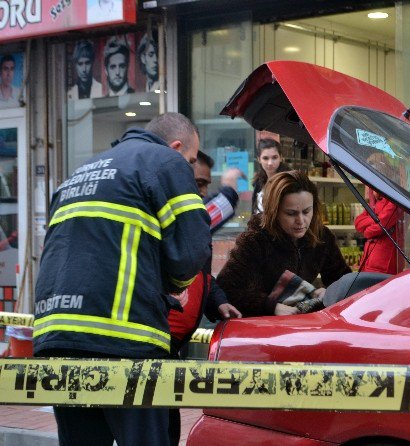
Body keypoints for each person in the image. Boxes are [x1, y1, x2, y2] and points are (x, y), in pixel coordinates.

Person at [32, 112, 211, 446]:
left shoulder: (82, 170)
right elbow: (191, 250)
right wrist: (176, 288)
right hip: (123, 338)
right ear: (176, 148)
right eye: (190, 160)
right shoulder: (165, 161)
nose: (189, 168)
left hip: (56, 337)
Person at [166, 150, 243, 446]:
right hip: (151, 341)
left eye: (205, 186)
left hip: (172, 343)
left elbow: (202, 274)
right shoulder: (175, 216)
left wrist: (217, 300)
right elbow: (212, 213)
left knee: (165, 427)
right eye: (198, 184)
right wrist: (229, 189)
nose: (202, 193)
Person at [216, 170, 351, 317]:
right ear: (274, 212)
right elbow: (226, 290)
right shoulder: (254, 241)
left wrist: (331, 292)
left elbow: (344, 280)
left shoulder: (322, 236)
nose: (301, 220)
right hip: (260, 328)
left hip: (299, 325)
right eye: (291, 213)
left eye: (306, 211)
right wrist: (270, 306)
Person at [354, 187, 404, 274]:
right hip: (370, 259)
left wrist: (368, 228)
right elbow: (358, 223)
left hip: (383, 262)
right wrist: (376, 219)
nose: (374, 192)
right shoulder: (374, 203)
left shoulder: (394, 203)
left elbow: (380, 226)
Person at [251, 138, 289, 214]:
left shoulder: (287, 181)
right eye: (265, 158)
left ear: (281, 158)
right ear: (259, 159)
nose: (270, 163)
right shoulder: (259, 181)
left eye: (274, 157)